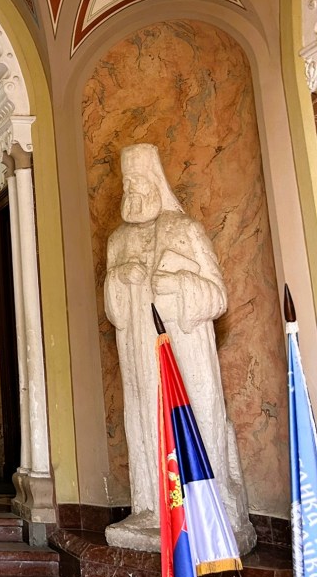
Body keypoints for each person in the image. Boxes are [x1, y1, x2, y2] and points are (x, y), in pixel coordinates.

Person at [103, 143, 254, 552]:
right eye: (126, 183)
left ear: (156, 182)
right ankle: (152, 505)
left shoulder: (185, 230)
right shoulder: (117, 241)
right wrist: (120, 279)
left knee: (196, 419)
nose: (132, 190)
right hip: (138, 354)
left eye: (138, 181)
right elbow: (113, 309)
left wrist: (182, 285)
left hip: (186, 352)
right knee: (145, 421)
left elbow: (217, 296)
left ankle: (210, 504)